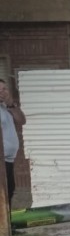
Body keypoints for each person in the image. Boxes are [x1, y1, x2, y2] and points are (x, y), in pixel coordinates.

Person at [0, 78, 26, 206]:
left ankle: (6, 224)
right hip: (1, 160)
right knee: (4, 192)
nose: (2, 92)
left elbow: (22, 121)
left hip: (9, 159)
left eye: (4, 89)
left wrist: (11, 105)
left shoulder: (6, 107)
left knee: (9, 190)